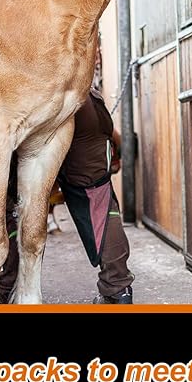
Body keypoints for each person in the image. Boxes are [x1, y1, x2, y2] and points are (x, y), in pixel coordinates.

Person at [56, 87, 134, 304]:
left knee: (100, 214)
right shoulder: (91, 90)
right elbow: (114, 135)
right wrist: (115, 154)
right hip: (91, 114)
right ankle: (119, 288)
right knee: (102, 204)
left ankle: (117, 289)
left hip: (82, 158)